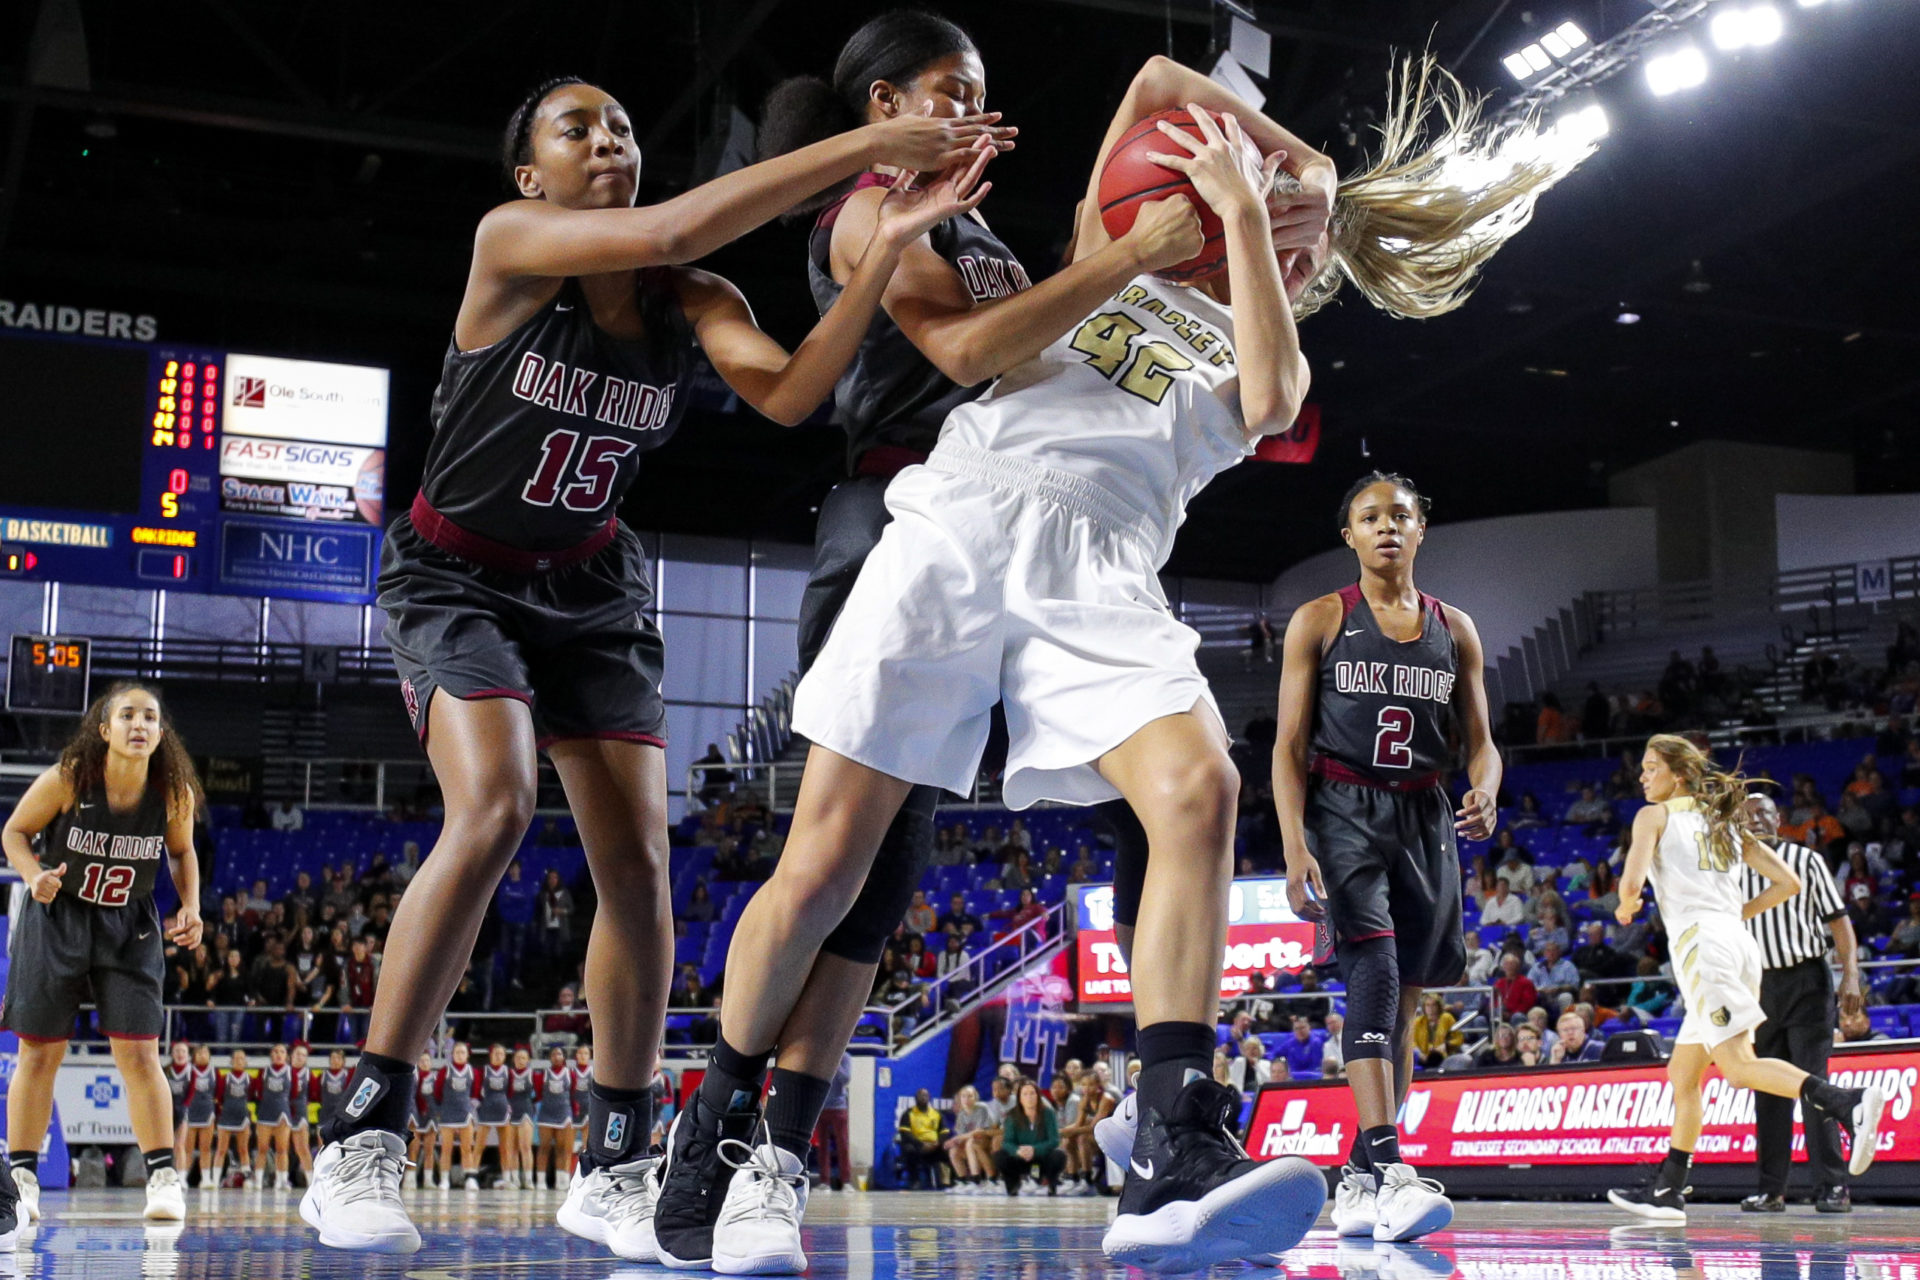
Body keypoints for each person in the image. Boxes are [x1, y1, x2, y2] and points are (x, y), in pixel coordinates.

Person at [658, 38, 1344, 1270]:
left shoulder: (1252, 346)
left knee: (1202, 789)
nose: (1291, 231)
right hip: (966, 513)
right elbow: (1143, 79)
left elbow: (1278, 401)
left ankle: (1174, 1143)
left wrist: (1255, 215)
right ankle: (714, 1110)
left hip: (1103, 569)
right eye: (1277, 220)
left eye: (1304, 245)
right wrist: (1305, 160)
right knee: (821, 868)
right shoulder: (1096, 248)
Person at [299, 70, 1008, 1261]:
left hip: (592, 587)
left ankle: (615, 1160)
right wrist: (872, 145)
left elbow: (788, 393)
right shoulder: (512, 244)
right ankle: (360, 1130)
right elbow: (676, 220)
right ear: (533, 175)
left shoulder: (691, 295)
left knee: (640, 870)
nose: (609, 139)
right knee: (498, 802)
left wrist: (882, 249)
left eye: (623, 124)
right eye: (577, 128)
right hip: (455, 573)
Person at [1273, 473, 1501, 1244]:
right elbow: (1288, 746)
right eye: (1370, 517)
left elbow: (1484, 744)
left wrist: (1487, 789)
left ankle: (1359, 1183)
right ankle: (1391, 1164)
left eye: (1399, 515)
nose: (1386, 527)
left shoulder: (1456, 628)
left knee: (1402, 1008)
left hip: (1425, 815)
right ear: (1350, 535)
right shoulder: (1320, 618)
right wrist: (1293, 839)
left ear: (1421, 528)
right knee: (1371, 975)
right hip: (1345, 810)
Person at [1606, 736, 1887, 1221]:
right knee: (1683, 1073)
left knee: (1738, 1067)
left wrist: (1627, 904)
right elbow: (1789, 883)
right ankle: (1669, 1191)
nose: (1642, 776)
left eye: (1652, 768)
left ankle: (1849, 1104)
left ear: (1677, 774)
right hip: (1737, 943)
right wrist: (1736, 912)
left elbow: (1630, 885)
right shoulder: (1723, 822)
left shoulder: (1654, 815)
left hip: (1702, 946)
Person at [0, 683, 204, 1225]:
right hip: (58, 916)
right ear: (104, 729)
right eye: (128, 715)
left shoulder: (173, 790)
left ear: (161, 733)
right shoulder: (70, 778)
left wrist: (190, 905)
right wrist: (33, 874)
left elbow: (182, 852)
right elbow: (15, 831)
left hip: (128, 924)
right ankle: (21, 1180)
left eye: (151, 717)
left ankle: (163, 1176)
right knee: (39, 1053)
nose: (140, 724)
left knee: (139, 1054)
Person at [1739, 794, 1864, 1214]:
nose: (1755, 820)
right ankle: (1771, 1189)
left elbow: (1839, 921)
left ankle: (1833, 1186)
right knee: (1768, 1090)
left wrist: (1851, 973)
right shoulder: (1730, 869)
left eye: (1763, 813)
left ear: (1780, 819)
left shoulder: (1805, 860)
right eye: (1747, 815)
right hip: (1757, 988)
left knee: (1813, 1083)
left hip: (1806, 980)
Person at [996, 1079, 1065, 1196]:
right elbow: (1007, 1142)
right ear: (1019, 1098)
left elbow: (1054, 1140)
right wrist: (1017, 1150)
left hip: (1041, 1157)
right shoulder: (1012, 1115)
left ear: (1038, 1096)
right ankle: (1013, 1185)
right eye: (1025, 1094)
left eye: (1032, 1093)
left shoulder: (1048, 1113)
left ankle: (1048, 1184)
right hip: (1020, 1157)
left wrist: (1035, 1149)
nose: (1029, 1097)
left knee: (1058, 1155)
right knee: (1000, 1156)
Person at [433, 1041, 482, 1191]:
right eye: (457, 1052)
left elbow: (476, 1092)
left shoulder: (473, 1072)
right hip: (448, 1113)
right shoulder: (444, 1071)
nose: (460, 1055)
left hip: (465, 1113)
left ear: (467, 1055)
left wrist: (469, 1108)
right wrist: (443, 1108)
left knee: (467, 1148)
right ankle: (444, 1180)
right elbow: (437, 1092)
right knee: (446, 1148)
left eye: (463, 1052)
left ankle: (470, 1179)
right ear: (452, 1054)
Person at [252, 1042, 297, 1189]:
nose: (278, 1054)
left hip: (283, 1112)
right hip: (265, 1112)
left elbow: (295, 1093)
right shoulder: (263, 1071)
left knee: (282, 1149)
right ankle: (257, 1180)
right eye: (276, 1051)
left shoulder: (292, 1072)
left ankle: (282, 1180)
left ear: (287, 1056)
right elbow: (255, 1091)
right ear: (271, 1055)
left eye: (282, 1052)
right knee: (262, 1148)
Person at [532, 1046, 576, 1192]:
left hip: (564, 1113)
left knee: (563, 1149)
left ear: (564, 1057)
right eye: (554, 1054)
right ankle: (540, 1181)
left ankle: (562, 1181)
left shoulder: (571, 1074)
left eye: (559, 1054)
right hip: (546, 1113)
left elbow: (574, 1094)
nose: (557, 1056)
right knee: (544, 1148)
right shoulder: (542, 1075)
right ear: (550, 1058)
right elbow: (538, 1094)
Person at [476, 1044, 519, 1191]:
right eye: (496, 1053)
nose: (498, 1056)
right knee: (479, 1145)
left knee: (505, 1147)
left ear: (505, 1056)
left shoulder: (508, 1072)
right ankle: (472, 1177)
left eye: (501, 1054)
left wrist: (508, 1106)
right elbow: (476, 1091)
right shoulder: (483, 1071)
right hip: (486, 1109)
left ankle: (506, 1178)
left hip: (502, 1110)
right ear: (490, 1055)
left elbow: (512, 1092)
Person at [213, 1050, 255, 1188]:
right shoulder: (224, 1078)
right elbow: (218, 1097)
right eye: (236, 1058)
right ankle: (215, 1180)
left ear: (246, 1062)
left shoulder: (250, 1079)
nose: (238, 1060)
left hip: (242, 1116)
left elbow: (254, 1096)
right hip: (226, 1116)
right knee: (221, 1150)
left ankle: (247, 1178)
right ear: (231, 1061)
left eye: (241, 1058)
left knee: (243, 1149)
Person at [814, 1053, 854, 1193]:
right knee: (823, 1146)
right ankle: (825, 1182)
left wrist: (835, 1062)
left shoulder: (846, 1058)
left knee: (842, 1144)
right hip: (821, 1106)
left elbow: (845, 1079)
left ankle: (846, 1181)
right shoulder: (822, 1055)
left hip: (838, 1107)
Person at [895, 1088, 948, 1189]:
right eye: (920, 1095)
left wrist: (937, 1143)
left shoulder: (937, 1114)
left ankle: (948, 1182)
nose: (923, 1098)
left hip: (934, 1145)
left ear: (929, 1098)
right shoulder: (908, 1113)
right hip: (917, 1145)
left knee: (948, 1151)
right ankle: (915, 1180)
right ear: (915, 1098)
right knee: (908, 1149)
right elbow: (905, 1132)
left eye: (925, 1095)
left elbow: (944, 1131)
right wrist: (921, 1144)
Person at [183, 1045, 218, 1187]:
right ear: (194, 1056)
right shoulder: (188, 1070)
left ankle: (206, 1179)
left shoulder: (214, 1072)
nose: (202, 1055)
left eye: (205, 1053)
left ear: (209, 1056)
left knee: (205, 1148)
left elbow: (219, 1094)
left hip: (207, 1112)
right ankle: (182, 1177)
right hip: (190, 1112)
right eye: (199, 1053)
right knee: (187, 1149)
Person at [507, 1047, 537, 1188]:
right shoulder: (509, 1074)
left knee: (525, 1146)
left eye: (523, 1058)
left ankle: (528, 1179)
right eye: (518, 1057)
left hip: (526, 1111)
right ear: (513, 1059)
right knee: (512, 1148)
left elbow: (539, 1095)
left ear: (528, 1060)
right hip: (512, 1111)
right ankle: (514, 1179)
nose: (520, 1060)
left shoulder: (533, 1075)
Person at [1410, 995, 1459, 1070]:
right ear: (1424, 1007)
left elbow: (1458, 1038)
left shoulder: (1447, 1018)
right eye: (1428, 1005)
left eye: (1433, 1005)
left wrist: (1445, 1045)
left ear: (1438, 1006)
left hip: (1443, 1057)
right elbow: (1412, 1042)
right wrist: (1420, 1054)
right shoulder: (1418, 1021)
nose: (1430, 1009)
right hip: (1423, 1058)